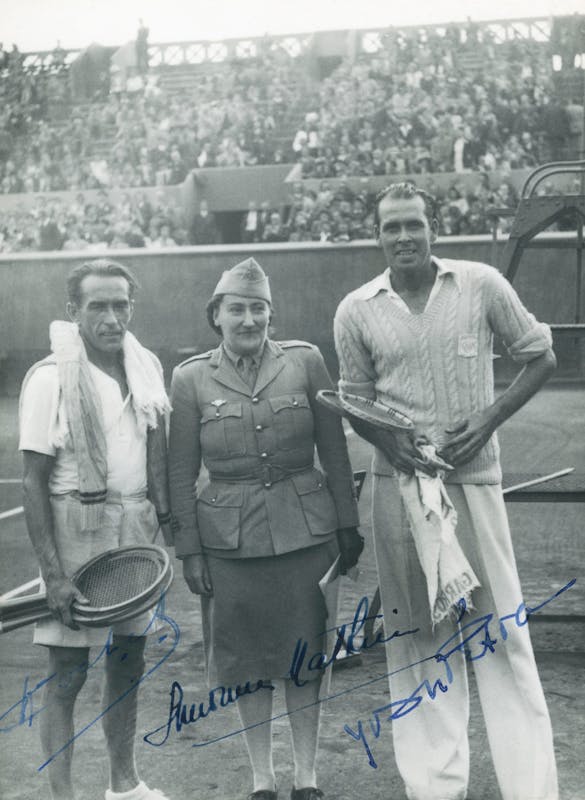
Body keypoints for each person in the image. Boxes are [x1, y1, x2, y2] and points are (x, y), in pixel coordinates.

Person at [333, 182, 558, 800]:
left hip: (473, 483)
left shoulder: (481, 284)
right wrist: (388, 445)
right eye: (390, 227)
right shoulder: (356, 308)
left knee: (500, 632)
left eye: (413, 224)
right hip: (398, 492)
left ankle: (531, 788)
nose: (403, 236)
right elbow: (354, 401)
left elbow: (541, 356)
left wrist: (486, 419)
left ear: (434, 226)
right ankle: (435, 787)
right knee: (417, 640)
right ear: (377, 236)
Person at [169, 257, 362, 800]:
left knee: (306, 655)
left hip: (307, 533)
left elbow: (335, 449)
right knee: (248, 660)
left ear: (270, 315)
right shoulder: (191, 378)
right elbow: (180, 471)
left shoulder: (305, 362)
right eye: (237, 309)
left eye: (259, 309)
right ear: (217, 315)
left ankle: (306, 776)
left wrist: (347, 524)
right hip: (228, 543)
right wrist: (190, 550)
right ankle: (262, 778)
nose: (249, 319)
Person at [19, 258, 173, 800]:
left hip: (136, 525)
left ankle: (123, 784)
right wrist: (53, 575)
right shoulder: (47, 377)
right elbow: (33, 484)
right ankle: (64, 796)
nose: (111, 317)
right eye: (97, 306)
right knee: (67, 672)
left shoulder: (147, 365)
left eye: (120, 304)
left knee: (129, 659)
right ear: (73, 312)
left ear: (132, 306)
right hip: (74, 529)